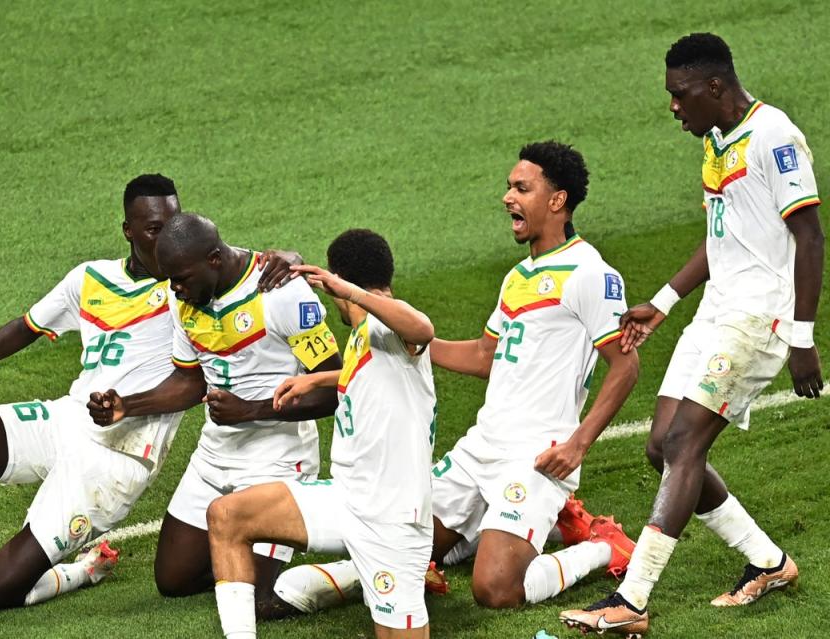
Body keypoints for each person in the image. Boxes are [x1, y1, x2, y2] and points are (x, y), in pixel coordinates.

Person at [0, 175, 299, 610]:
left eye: (172, 223)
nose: (167, 237)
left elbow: (239, 268)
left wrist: (287, 258)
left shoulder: (190, 288)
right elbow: (29, 324)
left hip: (117, 457)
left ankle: (84, 569)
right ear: (128, 230)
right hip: (70, 419)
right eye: (153, 228)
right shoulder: (90, 278)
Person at [561, 33, 823, 636]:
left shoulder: (773, 136)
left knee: (684, 443)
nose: (673, 106)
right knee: (661, 448)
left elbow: (809, 236)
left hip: (758, 316)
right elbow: (721, 233)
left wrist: (802, 337)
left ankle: (632, 601)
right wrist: (663, 301)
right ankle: (770, 562)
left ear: (715, 87)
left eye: (680, 95)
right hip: (714, 311)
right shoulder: (715, 140)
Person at [87, 212, 342, 617]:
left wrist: (250, 411)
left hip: (275, 460)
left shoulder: (280, 293)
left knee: (258, 600)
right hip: (215, 456)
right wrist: (127, 406)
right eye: (170, 280)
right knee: (175, 582)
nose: (176, 289)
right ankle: (243, 560)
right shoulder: (183, 293)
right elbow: (190, 382)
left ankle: (353, 576)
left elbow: (335, 389)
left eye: (183, 278)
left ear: (215, 260)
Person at [427, 141, 639, 611]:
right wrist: (420, 344)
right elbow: (486, 355)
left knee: (496, 589)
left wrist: (578, 443)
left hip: (537, 455)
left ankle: (602, 545)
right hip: (482, 447)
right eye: (509, 187)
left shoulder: (590, 273)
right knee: (406, 554)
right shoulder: (518, 276)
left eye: (522, 188)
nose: (508, 197)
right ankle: (485, 529)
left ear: (557, 200)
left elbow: (626, 367)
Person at [204, 229, 437, 639]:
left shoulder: (389, 326)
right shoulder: (365, 337)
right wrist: (317, 380)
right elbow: (371, 373)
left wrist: (352, 292)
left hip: (392, 523)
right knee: (227, 515)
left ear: (340, 280)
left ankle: (392, 576)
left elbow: (422, 330)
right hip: (345, 498)